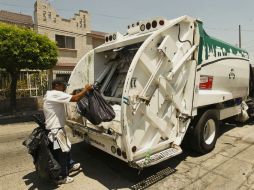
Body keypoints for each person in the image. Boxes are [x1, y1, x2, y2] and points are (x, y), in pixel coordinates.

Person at [43, 78, 92, 184]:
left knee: (63, 149)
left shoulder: (51, 94)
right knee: (62, 153)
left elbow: (69, 96)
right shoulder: (56, 94)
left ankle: (69, 165)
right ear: (57, 85)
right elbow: (75, 99)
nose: (65, 87)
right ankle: (62, 176)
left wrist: (74, 93)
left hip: (55, 129)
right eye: (63, 85)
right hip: (56, 131)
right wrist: (86, 89)